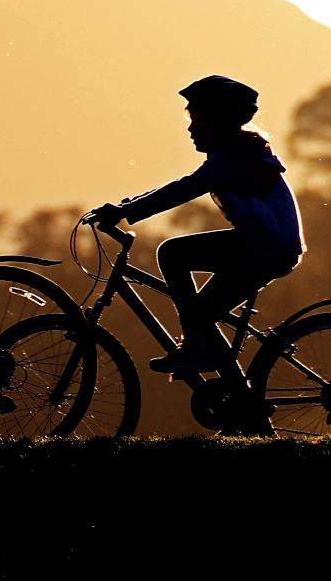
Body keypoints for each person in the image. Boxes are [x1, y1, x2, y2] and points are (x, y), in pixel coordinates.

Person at [87, 72, 304, 388]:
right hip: (265, 247)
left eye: (197, 119)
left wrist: (125, 211)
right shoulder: (238, 151)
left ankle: (197, 347)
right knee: (200, 314)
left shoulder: (233, 156)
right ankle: (232, 388)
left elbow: (185, 188)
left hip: (264, 248)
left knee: (173, 255)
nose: (190, 129)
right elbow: (185, 185)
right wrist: (127, 207)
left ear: (218, 121)